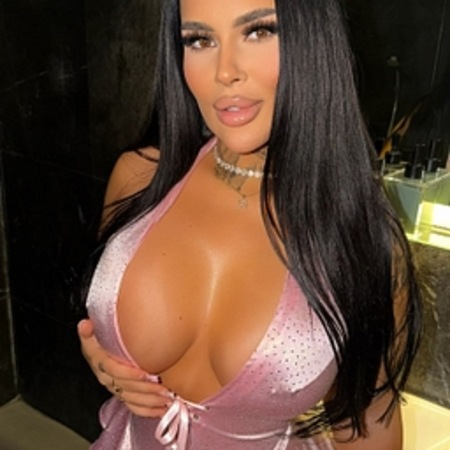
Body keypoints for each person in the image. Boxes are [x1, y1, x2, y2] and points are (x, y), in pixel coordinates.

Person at [78, 0, 422, 448]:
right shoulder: (139, 180)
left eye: (259, 31)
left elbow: (368, 418)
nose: (224, 72)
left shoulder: (363, 242)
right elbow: (102, 322)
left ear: (311, 41)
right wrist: (102, 354)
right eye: (199, 40)